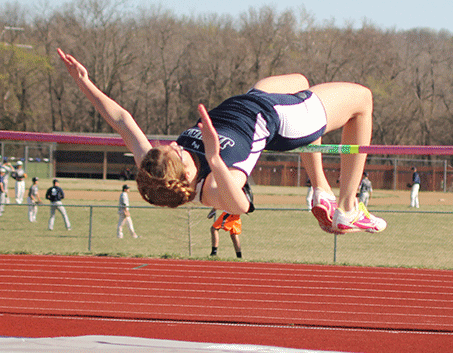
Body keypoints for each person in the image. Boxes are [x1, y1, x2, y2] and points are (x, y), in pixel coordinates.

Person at [58, 48, 386, 234]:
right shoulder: (213, 187)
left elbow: (122, 121)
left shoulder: (157, 167)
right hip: (282, 119)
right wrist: (215, 159)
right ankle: (347, 206)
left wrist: (84, 83)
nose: (174, 145)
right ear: (186, 176)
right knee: (362, 101)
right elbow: (241, 205)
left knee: (299, 80)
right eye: (178, 154)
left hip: (253, 100)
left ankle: (321, 192)